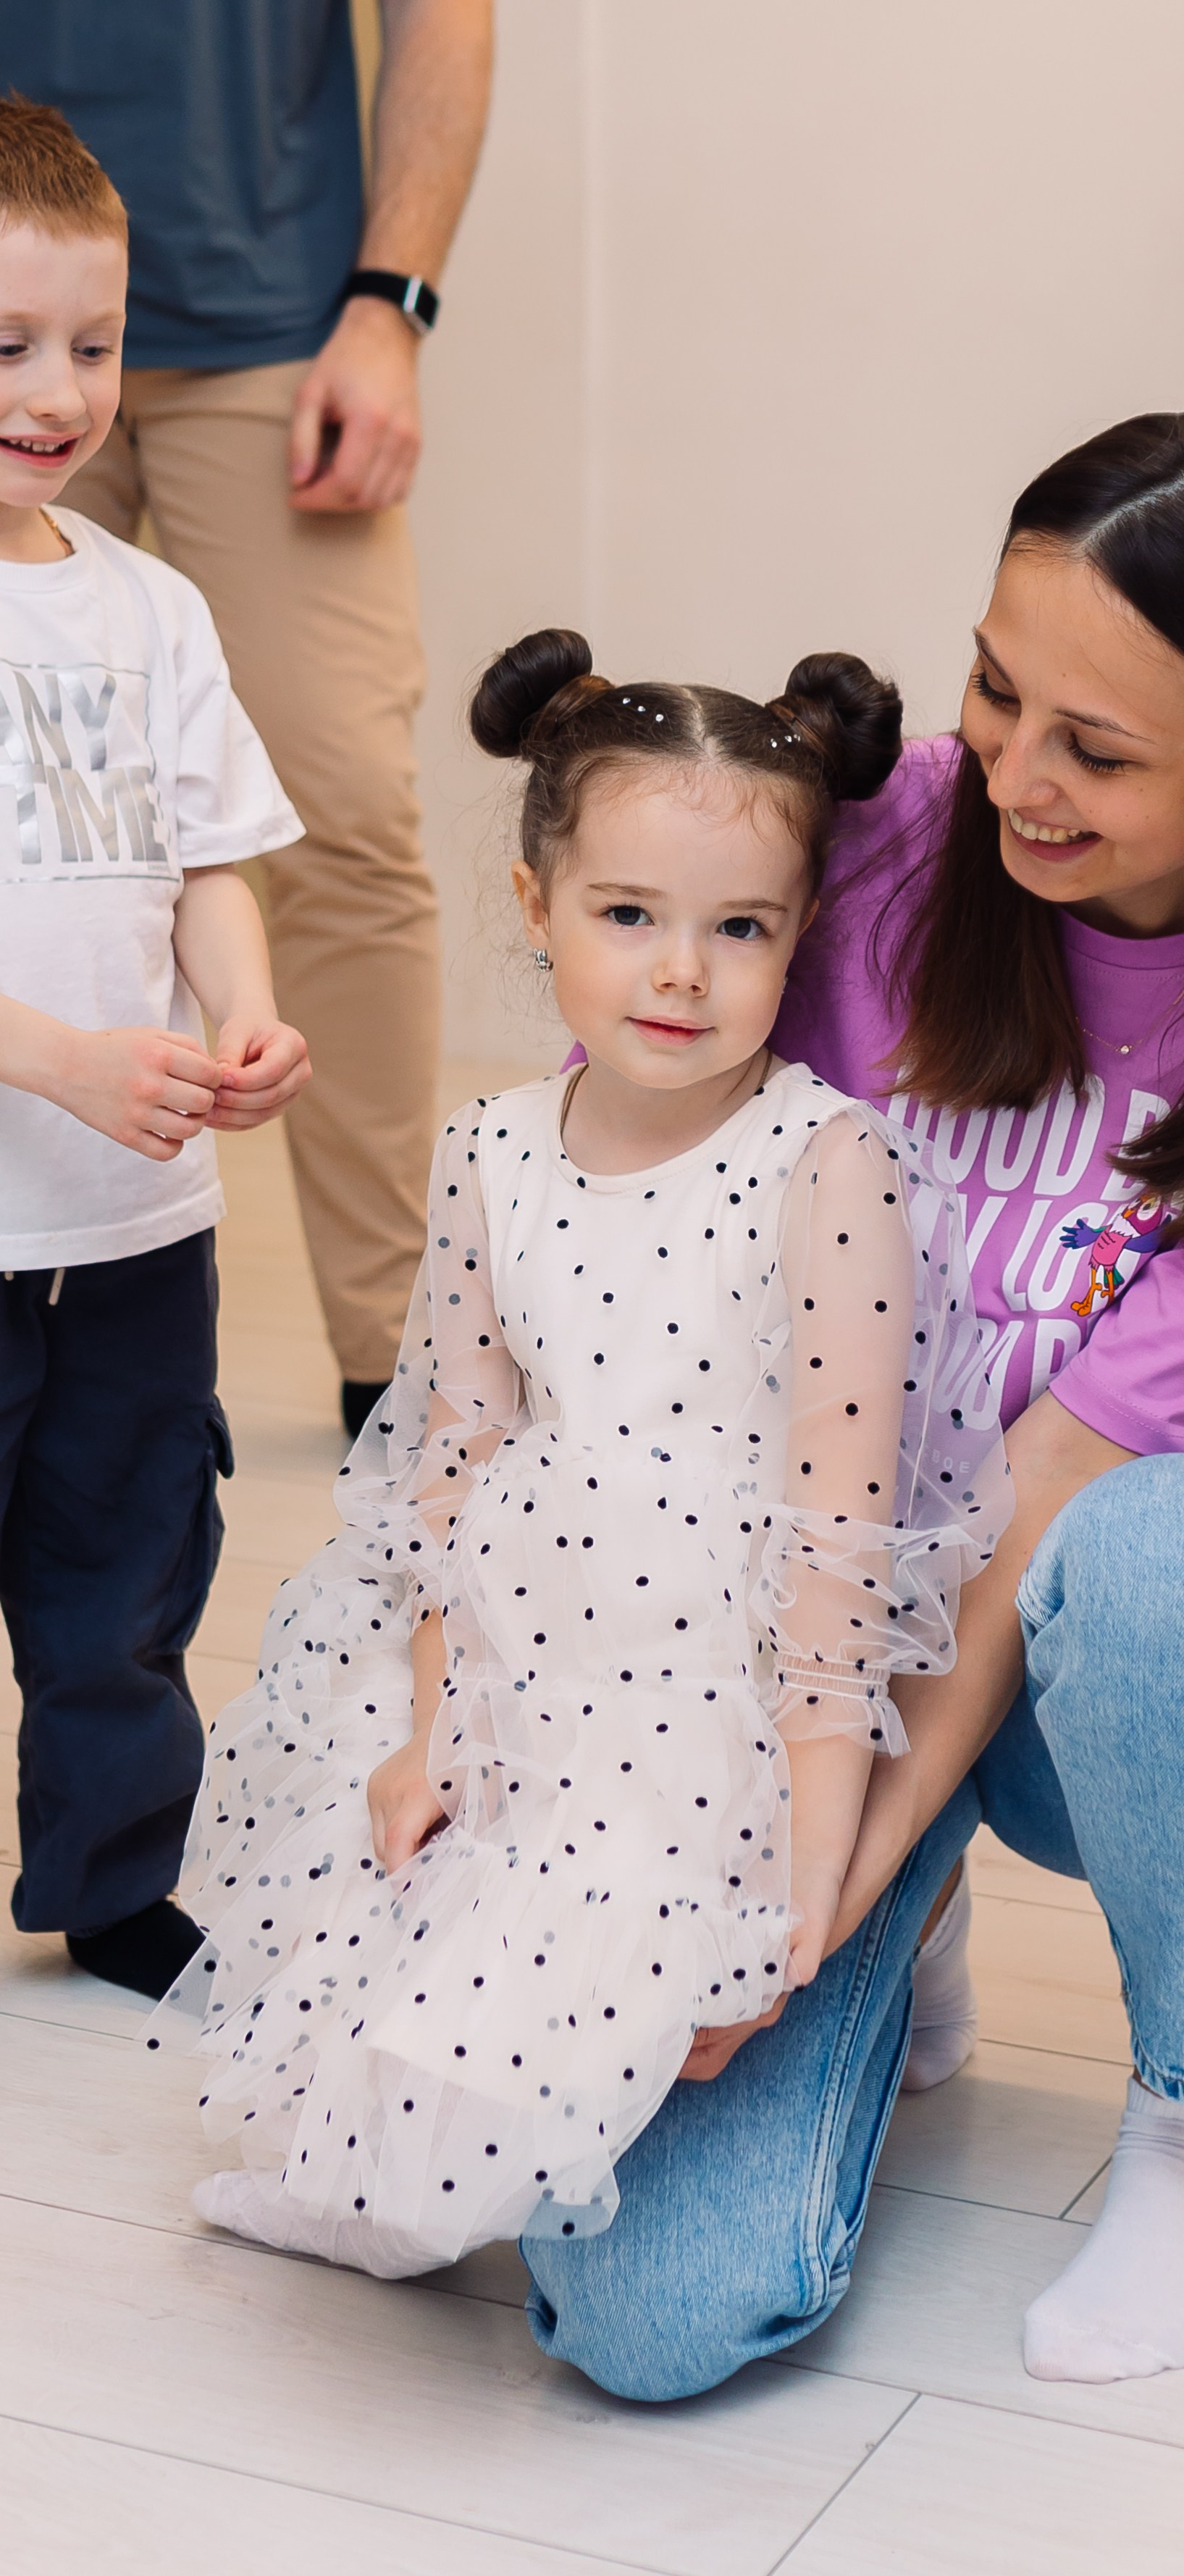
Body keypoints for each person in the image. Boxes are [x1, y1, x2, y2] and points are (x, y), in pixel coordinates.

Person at [518, 413, 1184, 2401]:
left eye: (1100, 751)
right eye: (992, 688)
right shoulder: (882, 839)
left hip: (1089, 1670)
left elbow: (1038, 1503)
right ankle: (906, 1952)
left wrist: (797, 1922)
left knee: (1173, 1550)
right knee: (638, 2320)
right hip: (802, 1631)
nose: (1009, 780)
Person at [159, 630, 1012, 2280]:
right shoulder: (490, 1149)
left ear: (799, 933)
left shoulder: (826, 1167)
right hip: (514, 1659)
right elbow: (452, 1465)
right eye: (629, 915)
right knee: (398, 2049)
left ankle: (902, 1932)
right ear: (535, 899)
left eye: (739, 928)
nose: (680, 974)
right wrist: (426, 1727)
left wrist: (806, 1899)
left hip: (723, 1696)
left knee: (579, 2092)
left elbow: (845, 1550)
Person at [4, 1, 495, 1426]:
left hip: (270, 313)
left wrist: (391, 305)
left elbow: (442, 19)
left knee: (337, 817)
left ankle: (401, 1373)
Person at [0, 101, 309, 2001]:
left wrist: (241, 1009)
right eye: (5, 344)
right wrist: (52, 1057)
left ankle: (115, 1879)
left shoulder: (149, 607)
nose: (57, 391)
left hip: (131, 1230)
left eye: (91, 346)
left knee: (125, 1576)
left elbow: (207, 862)